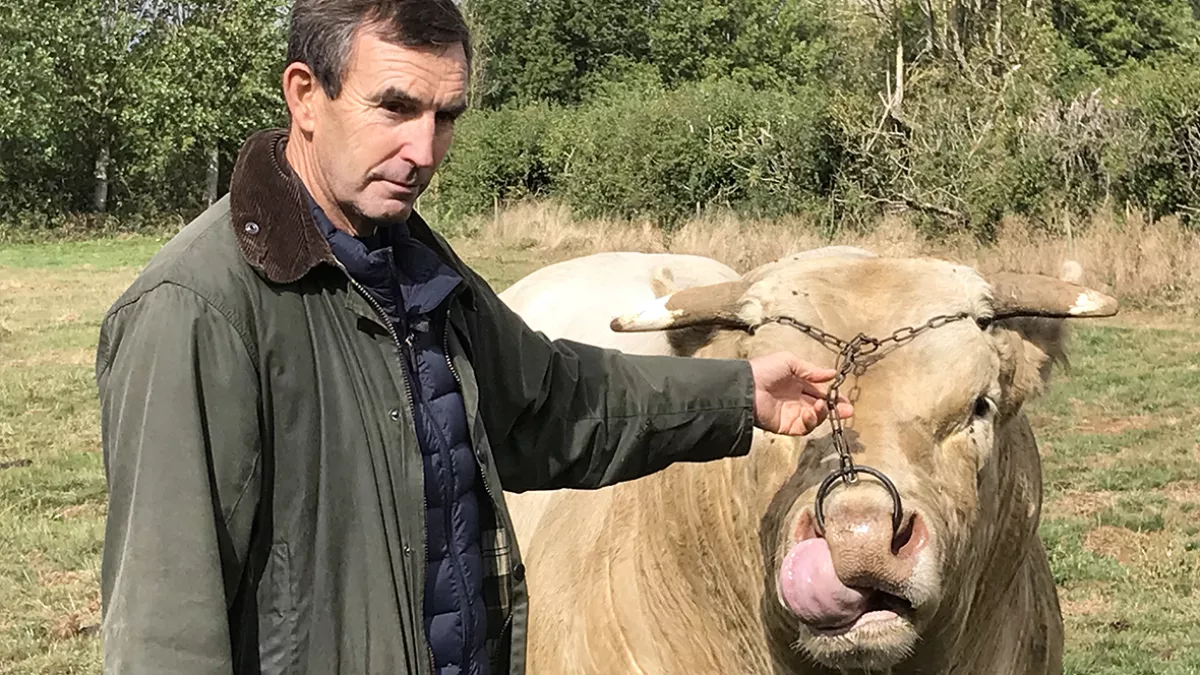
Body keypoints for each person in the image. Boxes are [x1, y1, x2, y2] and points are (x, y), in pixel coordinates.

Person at [93, 1, 854, 674]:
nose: (424, 152)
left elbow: (549, 404)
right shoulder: (196, 308)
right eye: (394, 107)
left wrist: (739, 393)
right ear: (305, 97)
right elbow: (164, 627)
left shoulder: (413, 266)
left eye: (445, 115)